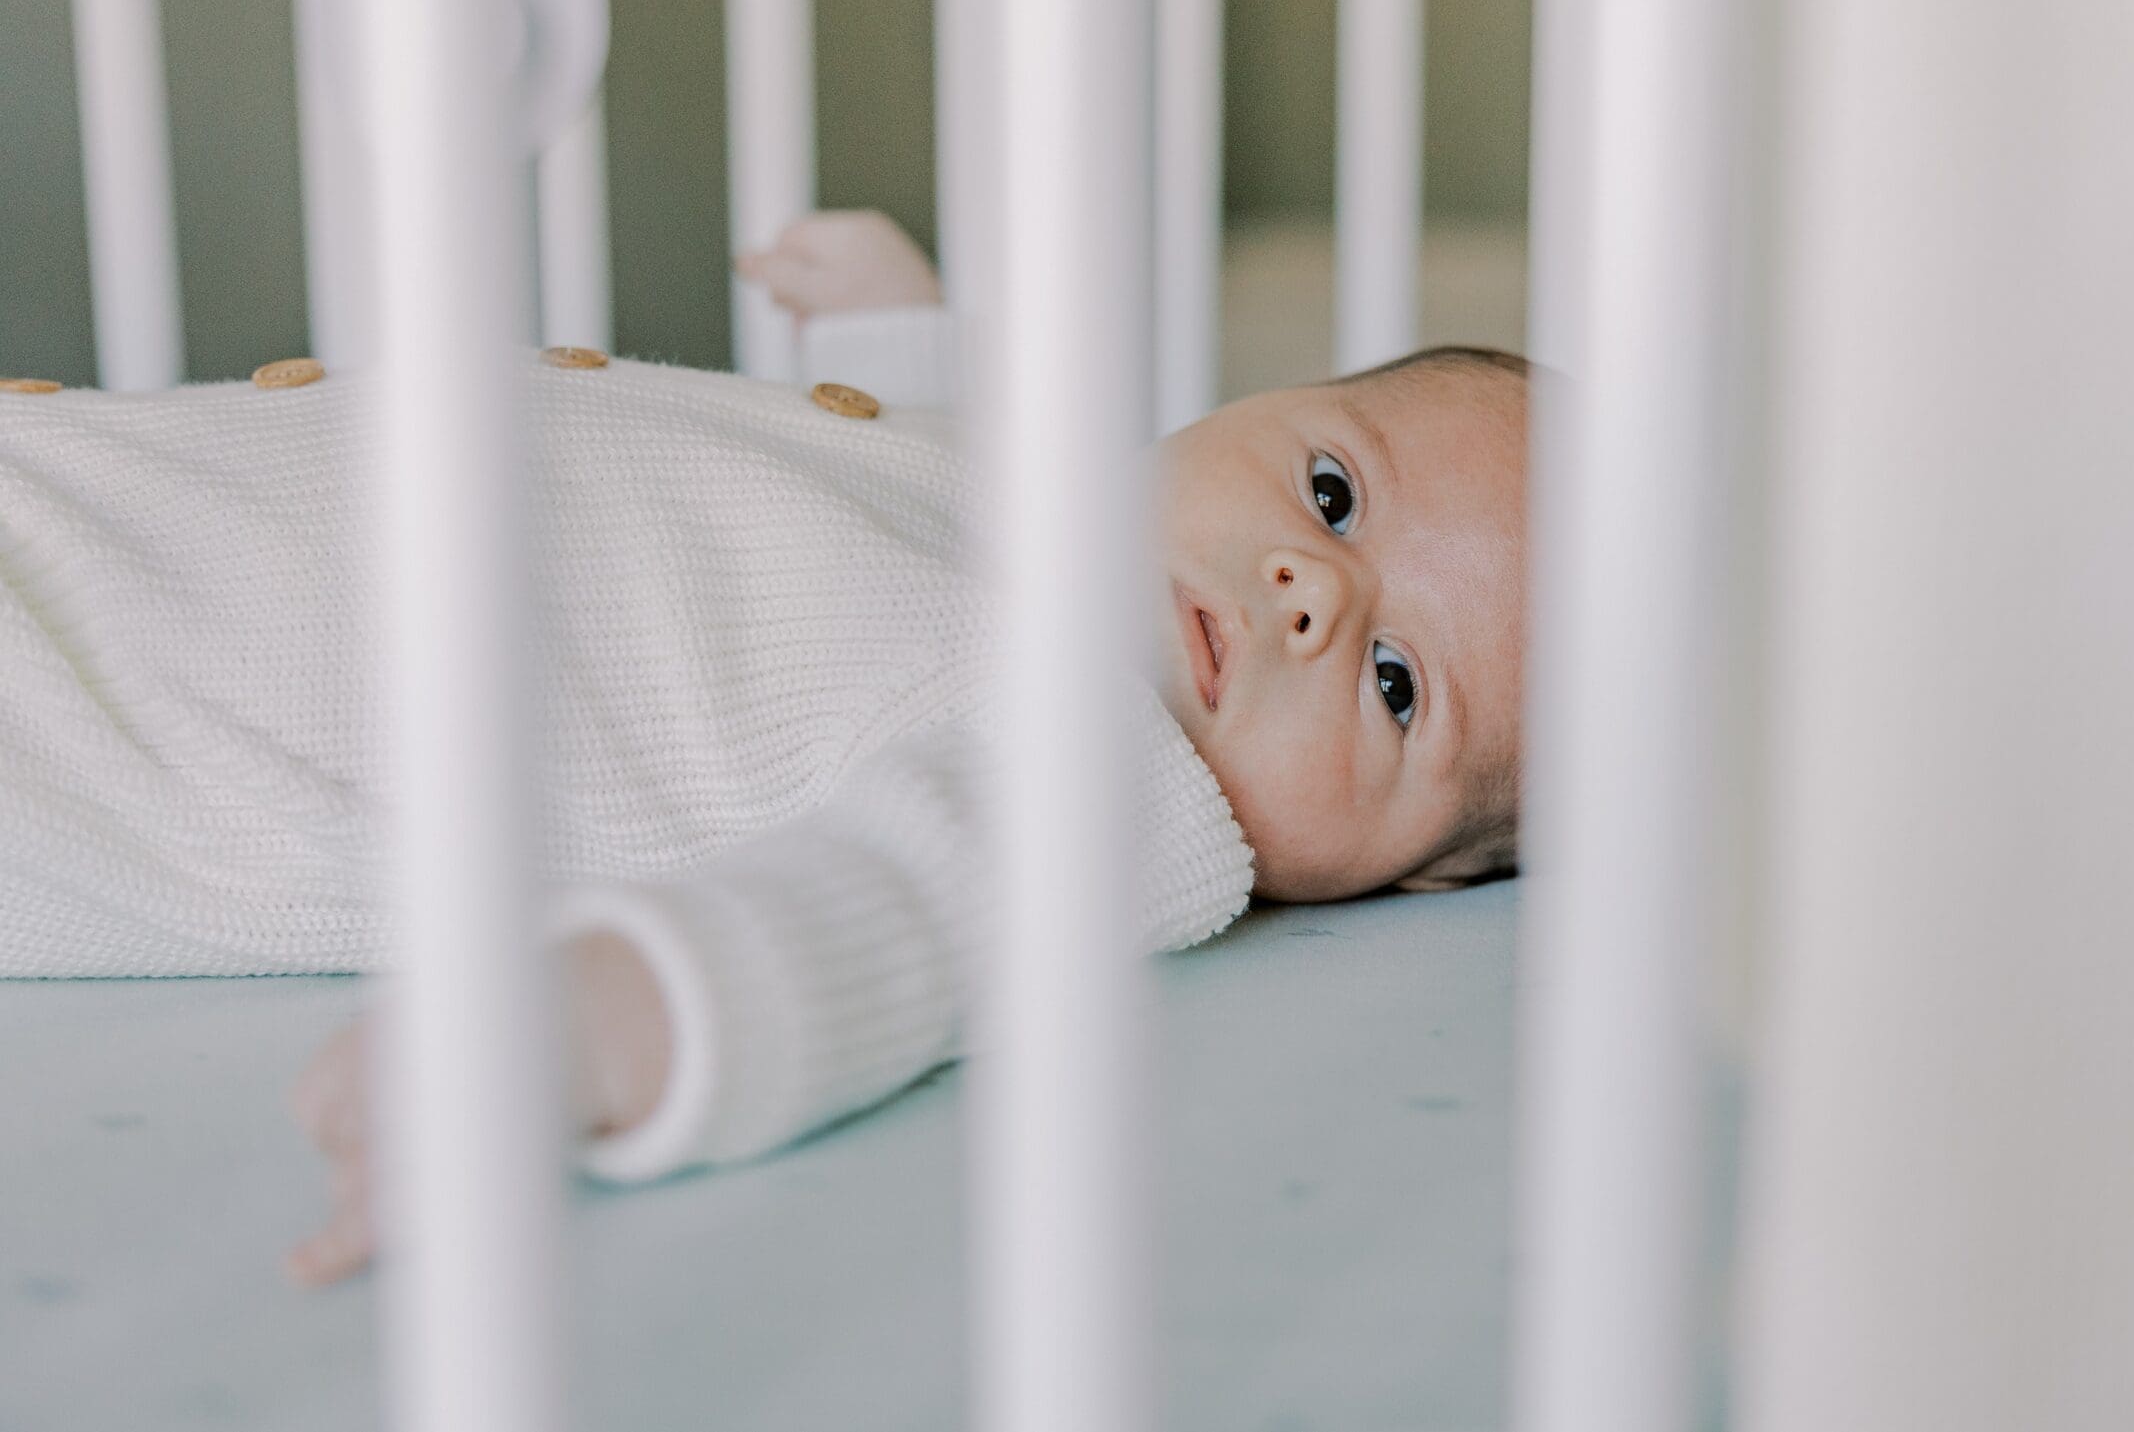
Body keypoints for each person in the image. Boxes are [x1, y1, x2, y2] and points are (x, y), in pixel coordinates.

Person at [0, 212, 1529, 1285]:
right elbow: (924, 469)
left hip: (121, 715)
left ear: (1395, 884)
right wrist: (896, 338)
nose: (1311, 591)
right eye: (1333, 491)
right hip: (139, 498)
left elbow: (885, 908)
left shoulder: (1123, 780)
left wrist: (592, 1023)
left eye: (1400, 685)